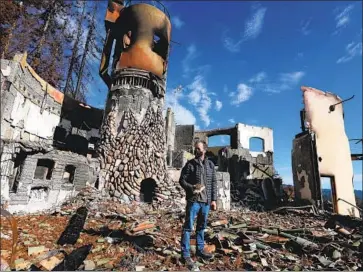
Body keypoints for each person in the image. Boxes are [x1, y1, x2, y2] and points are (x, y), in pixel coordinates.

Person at [179, 140, 218, 268]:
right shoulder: (190, 164)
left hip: (205, 202)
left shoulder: (211, 165)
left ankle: (200, 251)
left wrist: (213, 200)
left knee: (201, 227)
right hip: (194, 201)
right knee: (188, 227)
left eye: (198, 149)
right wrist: (192, 187)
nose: (196, 150)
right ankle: (185, 254)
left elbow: (213, 184)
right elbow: (182, 180)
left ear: (204, 150)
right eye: (195, 149)